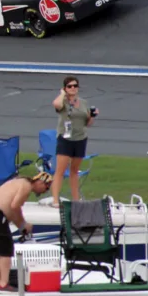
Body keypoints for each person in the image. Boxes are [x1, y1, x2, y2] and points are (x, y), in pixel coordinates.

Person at [0, 172, 51, 293]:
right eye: (46, 187)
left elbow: (11, 210)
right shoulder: (26, 186)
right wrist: (23, 225)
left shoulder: (18, 181)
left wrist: (21, 226)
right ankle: (3, 284)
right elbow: (15, 206)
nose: (46, 190)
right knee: (5, 249)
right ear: (40, 181)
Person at [50, 76, 97, 208]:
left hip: (80, 138)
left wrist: (93, 116)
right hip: (65, 138)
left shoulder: (83, 102)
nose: (73, 88)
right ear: (65, 88)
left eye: (75, 86)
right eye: (69, 86)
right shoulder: (63, 101)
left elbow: (88, 123)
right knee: (60, 170)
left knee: (74, 170)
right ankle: (55, 199)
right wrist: (62, 94)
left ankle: (76, 200)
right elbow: (56, 105)